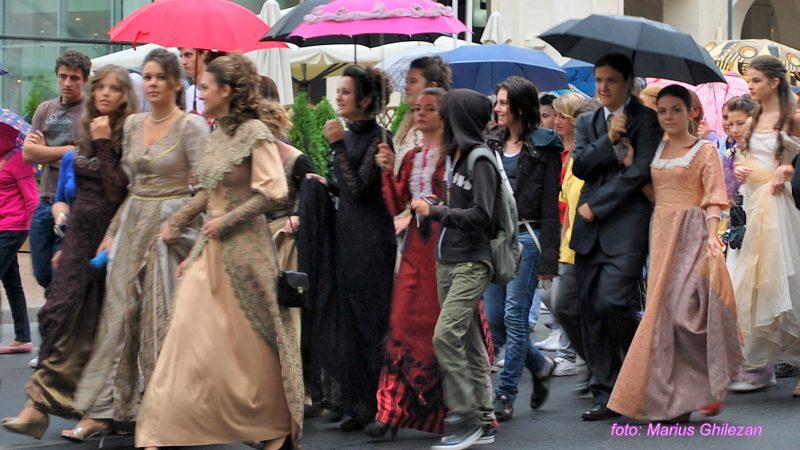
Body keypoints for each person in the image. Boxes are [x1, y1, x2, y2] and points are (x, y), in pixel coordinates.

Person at [134, 52, 301, 450]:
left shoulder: (256, 132)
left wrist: (225, 222)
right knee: (187, 336)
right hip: (209, 250)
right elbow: (209, 193)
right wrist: (179, 221)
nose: (201, 92)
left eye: (206, 86)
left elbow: (274, 191)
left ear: (226, 91)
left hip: (247, 253)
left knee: (250, 346)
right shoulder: (217, 135)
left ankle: (273, 426)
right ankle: (160, 430)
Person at [72, 49, 208, 424]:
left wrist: (178, 220)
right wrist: (111, 232)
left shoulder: (192, 126)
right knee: (119, 314)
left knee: (162, 318)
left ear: (176, 83)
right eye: (147, 77)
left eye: (160, 77)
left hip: (171, 230)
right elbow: (131, 190)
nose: (152, 83)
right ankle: (108, 408)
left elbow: (208, 188)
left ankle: (166, 410)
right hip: (133, 222)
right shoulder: (133, 124)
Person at [1, 65, 137, 440]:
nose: (105, 93)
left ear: (125, 97)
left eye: (114, 88)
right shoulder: (86, 131)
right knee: (55, 315)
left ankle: (94, 411)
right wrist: (62, 212)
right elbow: (66, 189)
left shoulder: (128, 135)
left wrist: (105, 143)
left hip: (111, 241)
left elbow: (118, 192)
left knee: (97, 327)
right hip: (77, 235)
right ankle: (37, 407)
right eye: (101, 87)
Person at [607, 84, 743, 421]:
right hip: (661, 232)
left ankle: (703, 384)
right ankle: (675, 399)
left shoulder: (704, 150)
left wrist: (712, 235)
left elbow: (714, 196)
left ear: (691, 112)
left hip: (693, 233)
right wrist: (628, 159)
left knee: (686, 315)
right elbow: (654, 193)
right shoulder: (655, 149)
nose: (668, 116)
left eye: (676, 110)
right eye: (663, 110)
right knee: (663, 316)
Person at [569, 53, 662, 421]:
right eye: (598, 80)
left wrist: (598, 205)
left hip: (627, 225)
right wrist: (609, 139)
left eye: (611, 80)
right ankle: (606, 392)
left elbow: (639, 172)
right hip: (588, 230)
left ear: (627, 83)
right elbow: (581, 166)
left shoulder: (647, 120)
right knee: (589, 310)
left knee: (613, 302)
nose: (603, 87)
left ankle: (644, 364)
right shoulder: (588, 121)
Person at [308, 65, 396, 431]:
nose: (338, 97)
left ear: (366, 100)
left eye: (346, 92)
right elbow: (344, 186)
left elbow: (360, 188)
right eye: (339, 91)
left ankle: (381, 404)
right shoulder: (347, 135)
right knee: (349, 320)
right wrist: (323, 184)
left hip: (372, 241)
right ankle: (358, 402)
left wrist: (337, 145)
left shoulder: (381, 138)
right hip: (345, 237)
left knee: (371, 322)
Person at [411, 89, 497, 450]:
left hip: (471, 262)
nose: (440, 121)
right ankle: (484, 420)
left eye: (446, 115)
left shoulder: (480, 159)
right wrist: (436, 206)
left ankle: (464, 418)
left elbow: (483, 215)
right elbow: (459, 206)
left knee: (445, 337)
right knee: (470, 343)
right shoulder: (456, 157)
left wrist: (436, 212)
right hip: (448, 260)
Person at [368, 87, 449, 438]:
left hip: (444, 250)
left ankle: (449, 414)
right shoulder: (413, 158)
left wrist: (434, 207)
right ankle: (390, 411)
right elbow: (396, 203)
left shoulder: (454, 156)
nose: (420, 114)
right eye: (417, 108)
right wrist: (388, 171)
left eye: (429, 108)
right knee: (400, 326)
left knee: (439, 333)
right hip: (415, 249)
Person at [484, 76, 562, 422]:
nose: (498, 108)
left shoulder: (545, 145)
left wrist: (549, 260)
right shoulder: (490, 142)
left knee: (515, 318)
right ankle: (541, 365)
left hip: (529, 236)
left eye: (504, 102)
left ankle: (505, 394)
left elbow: (550, 206)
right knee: (494, 318)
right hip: (495, 238)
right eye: (497, 102)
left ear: (519, 106)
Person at [726, 55, 800, 396]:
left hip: (778, 203)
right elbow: (745, 154)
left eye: (756, 80)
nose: (750, 86)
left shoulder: (793, 116)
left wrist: (785, 170)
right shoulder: (754, 116)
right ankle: (759, 365)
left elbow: (796, 162)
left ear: (774, 81)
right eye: (749, 80)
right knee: (747, 282)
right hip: (752, 202)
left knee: (780, 281)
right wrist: (739, 167)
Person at [22, 49, 90, 289]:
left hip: (73, 201)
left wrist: (45, 151)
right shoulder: (45, 109)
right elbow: (28, 154)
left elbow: (84, 159)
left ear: (85, 80)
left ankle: (58, 306)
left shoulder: (91, 112)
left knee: (60, 271)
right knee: (41, 272)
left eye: (74, 78)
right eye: (63, 76)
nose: (67, 83)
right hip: (45, 200)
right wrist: (67, 151)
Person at [542, 93, 595, 378]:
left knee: (566, 303)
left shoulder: (582, 157)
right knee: (557, 301)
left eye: (564, 116)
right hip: (565, 238)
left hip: (583, 244)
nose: (557, 121)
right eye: (556, 115)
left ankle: (586, 360)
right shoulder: (561, 154)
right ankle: (592, 361)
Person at [391, 57, 452, 237]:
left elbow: (440, 190)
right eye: (406, 81)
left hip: (431, 224)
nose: (406, 87)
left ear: (431, 85)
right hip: (404, 222)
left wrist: (411, 216)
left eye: (413, 81)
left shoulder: (443, 135)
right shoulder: (406, 122)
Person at [0, 119, 38, 355]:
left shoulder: (19, 160)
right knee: (12, 283)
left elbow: (32, 198)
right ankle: (23, 337)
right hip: (2, 226)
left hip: (14, 228)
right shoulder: (2, 160)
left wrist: (35, 232)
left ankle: (23, 336)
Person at [179, 47, 208, 114]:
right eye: (181, 56)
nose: (183, 62)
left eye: (188, 55)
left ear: (204, 54)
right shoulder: (190, 92)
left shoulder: (216, 91)